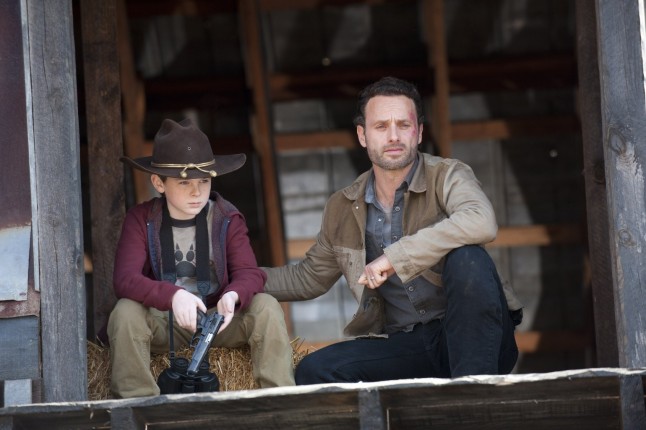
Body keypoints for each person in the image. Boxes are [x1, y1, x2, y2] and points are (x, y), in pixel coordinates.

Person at [263, 76, 523, 385]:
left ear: (419, 132)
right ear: (362, 135)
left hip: (478, 338)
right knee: (314, 370)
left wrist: (394, 257)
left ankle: (473, 398)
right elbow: (307, 278)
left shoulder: (448, 175)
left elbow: (480, 220)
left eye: (404, 124)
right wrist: (236, 281)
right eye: (381, 126)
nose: (394, 136)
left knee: (468, 259)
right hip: (409, 345)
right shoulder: (343, 206)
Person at [107, 118, 295, 398]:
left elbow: (249, 273)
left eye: (204, 181)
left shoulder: (226, 217)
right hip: (165, 321)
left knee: (266, 306)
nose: (196, 192)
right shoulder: (141, 218)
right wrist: (173, 296)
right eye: (184, 182)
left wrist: (232, 295)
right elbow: (124, 280)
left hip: (218, 321)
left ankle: (280, 400)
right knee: (125, 312)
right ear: (158, 182)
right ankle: (139, 405)